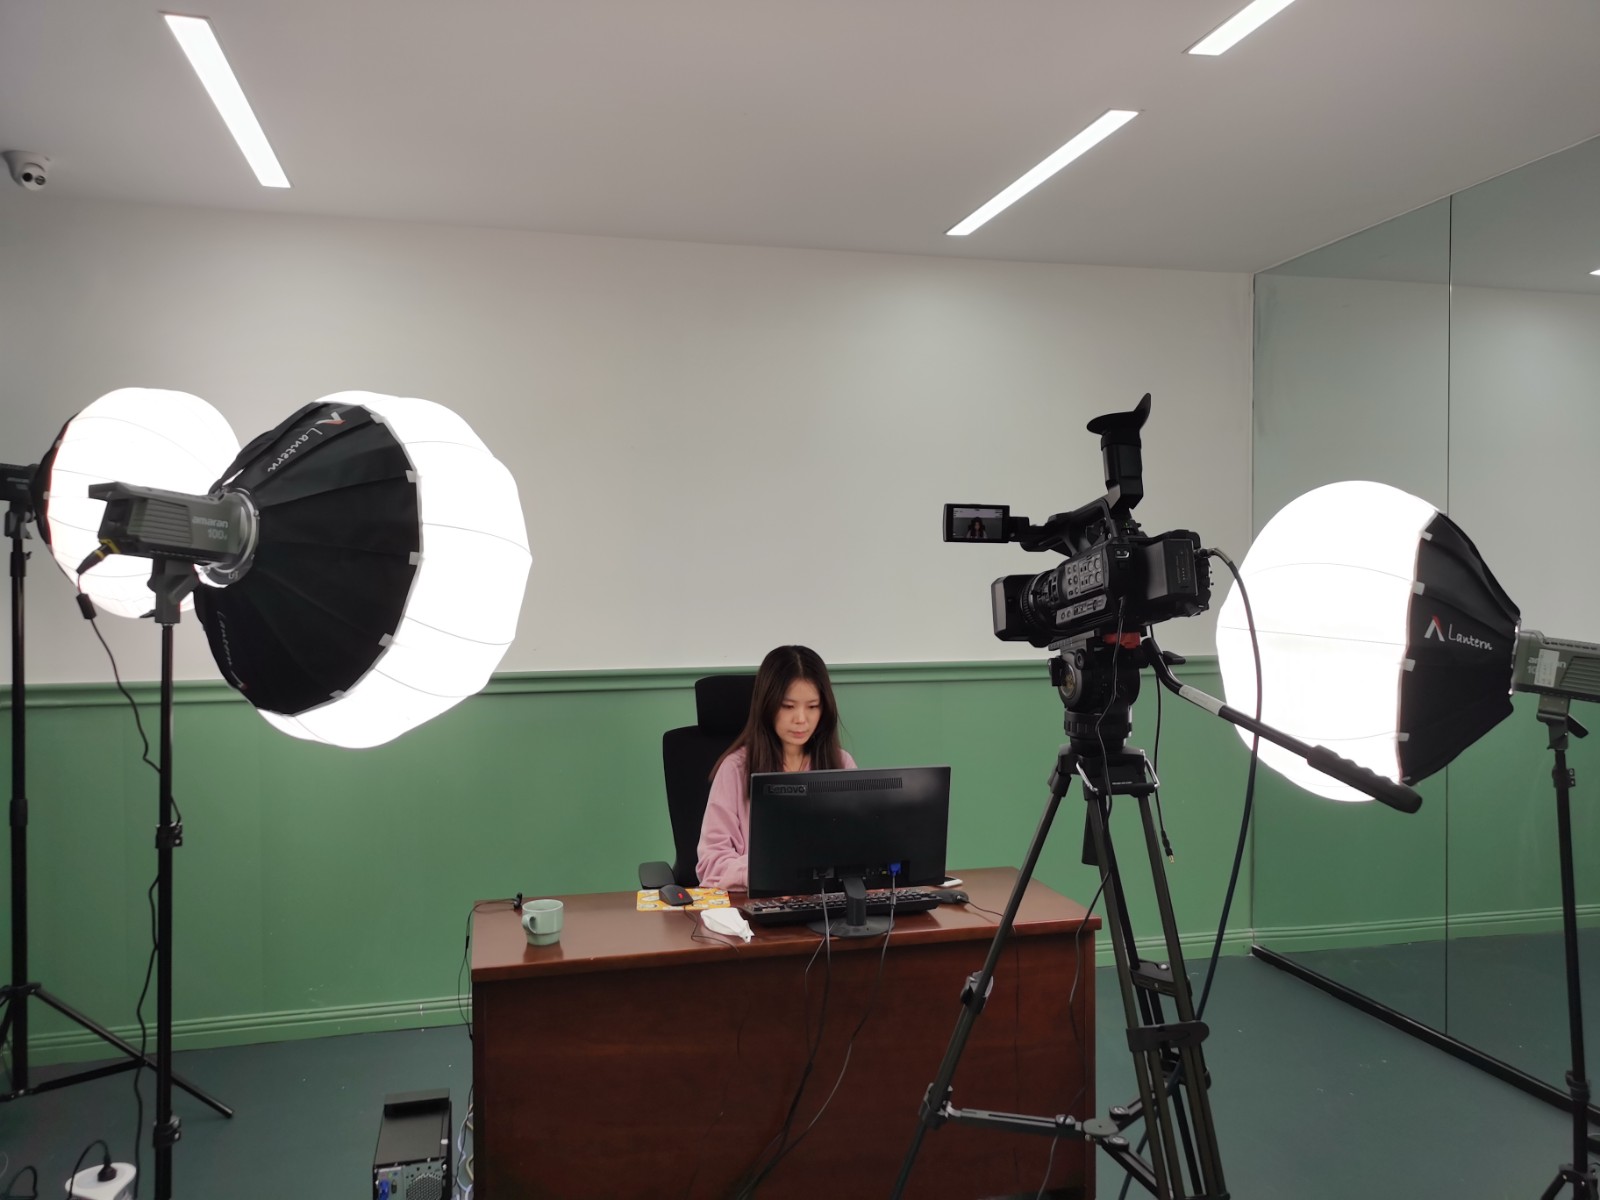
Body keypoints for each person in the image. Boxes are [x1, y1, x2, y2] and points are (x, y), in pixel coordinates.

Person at [695, 645, 854, 890]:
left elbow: (858, 850)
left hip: (825, 901)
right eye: (788, 706)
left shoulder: (841, 764)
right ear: (767, 705)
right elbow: (711, 864)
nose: (801, 719)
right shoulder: (735, 770)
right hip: (757, 902)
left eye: (813, 706)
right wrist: (771, 869)